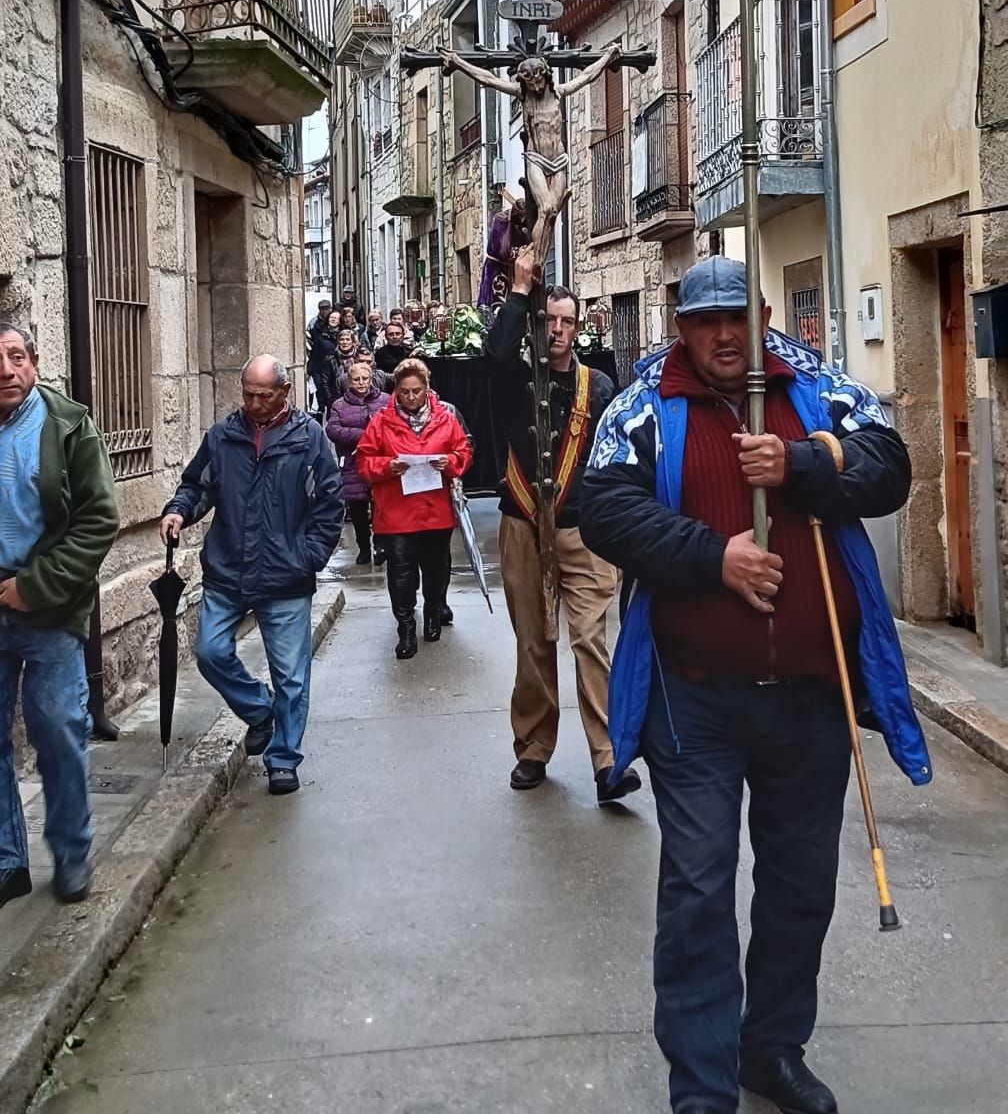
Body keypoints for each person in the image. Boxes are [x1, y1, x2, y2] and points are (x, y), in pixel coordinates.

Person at [580, 258, 930, 1114]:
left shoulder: (812, 384)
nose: (724, 336)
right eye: (704, 322)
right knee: (698, 886)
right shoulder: (642, 405)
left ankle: (770, 1048)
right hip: (694, 697)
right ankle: (701, 1088)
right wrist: (715, 559)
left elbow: (889, 465)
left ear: (764, 313)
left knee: (800, 884)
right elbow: (603, 507)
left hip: (813, 697)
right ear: (680, 327)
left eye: (737, 317)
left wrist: (805, 464)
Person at [484, 244, 638, 805]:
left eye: (568, 322)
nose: (558, 331)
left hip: (584, 532)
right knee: (533, 642)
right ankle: (532, 747)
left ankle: (607, 759)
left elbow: (618, 459)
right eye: (549, 320)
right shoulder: (512, 376)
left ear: (579, 329)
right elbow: (495, 355)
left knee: (592, 642)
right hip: (521, 525)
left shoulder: (597, 386)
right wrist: (520, 288)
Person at [160, 355, 343, 795]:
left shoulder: (309, 439)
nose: (255, 403)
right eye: (248, 394)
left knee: (291, 676)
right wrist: (177, 511)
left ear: (284, 392)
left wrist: (308, 556)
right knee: (209, 652)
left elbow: (330, 505)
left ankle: (283, 758)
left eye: (264, 395)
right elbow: (197, 485)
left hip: (285, 575)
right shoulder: (224, 436)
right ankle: (260, 710)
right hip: (228, 569)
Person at [0, 324, 119, 908]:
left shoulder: (66, 425)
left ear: (35, 362)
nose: (5, 369)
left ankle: (71, 855)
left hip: (47, 607)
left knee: (58, 734)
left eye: (16, 357)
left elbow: (98, 519)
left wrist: (35, 586)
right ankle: (6, 861)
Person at [357, 358, 473, 659]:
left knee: (436, 570)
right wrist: (387, 466)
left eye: (417, 391)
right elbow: (364, 462)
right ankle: (406, 626)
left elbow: (463, 452)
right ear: (396, 390)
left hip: (435, 510)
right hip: (396, 511)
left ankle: (433, 611)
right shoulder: (380, 421)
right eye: (405, 392)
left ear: (426, 389)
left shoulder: (445, 418)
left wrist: (450, 462)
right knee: (401, 572)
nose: (411, 397)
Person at [325, 361, 389, 567]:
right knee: (358, 508)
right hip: (352, 462)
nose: (361, 383)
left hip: (379, 461)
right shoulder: (339, 405)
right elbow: (333, 430)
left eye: (365, 378)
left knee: (380, 505)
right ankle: (363, 546)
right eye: (356, 379)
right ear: (348, 381)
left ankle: (381, 544)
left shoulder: (385, 401)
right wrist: (364, 436)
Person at [307, 308, 340, 415]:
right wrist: (311, 367)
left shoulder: (343, 335)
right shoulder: (320, 333)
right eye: (331, 317)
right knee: (322, 395)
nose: (333, 320)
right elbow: (314, 352)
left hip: (336, 370)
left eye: (336, 318)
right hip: (321, 368)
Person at [319, 327, 360, 410]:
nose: (345, 342)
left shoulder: (358, 357)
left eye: (348, 339)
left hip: (357, 398)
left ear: (352, 342)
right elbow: (324, 382)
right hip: (337, 400)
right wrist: (331, 401)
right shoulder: (330, 359)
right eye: (342, 339)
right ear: (338, 342)